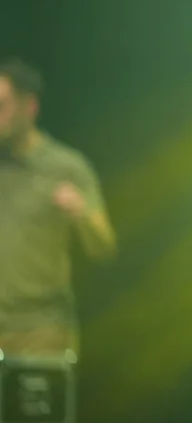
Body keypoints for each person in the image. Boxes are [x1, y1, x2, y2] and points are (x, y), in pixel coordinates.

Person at [0, 58, 117, 357]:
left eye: (2, 105)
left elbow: (104, 247)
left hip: (41, 331)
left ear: (29, 107)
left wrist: (82, 214)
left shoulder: (66, 167)